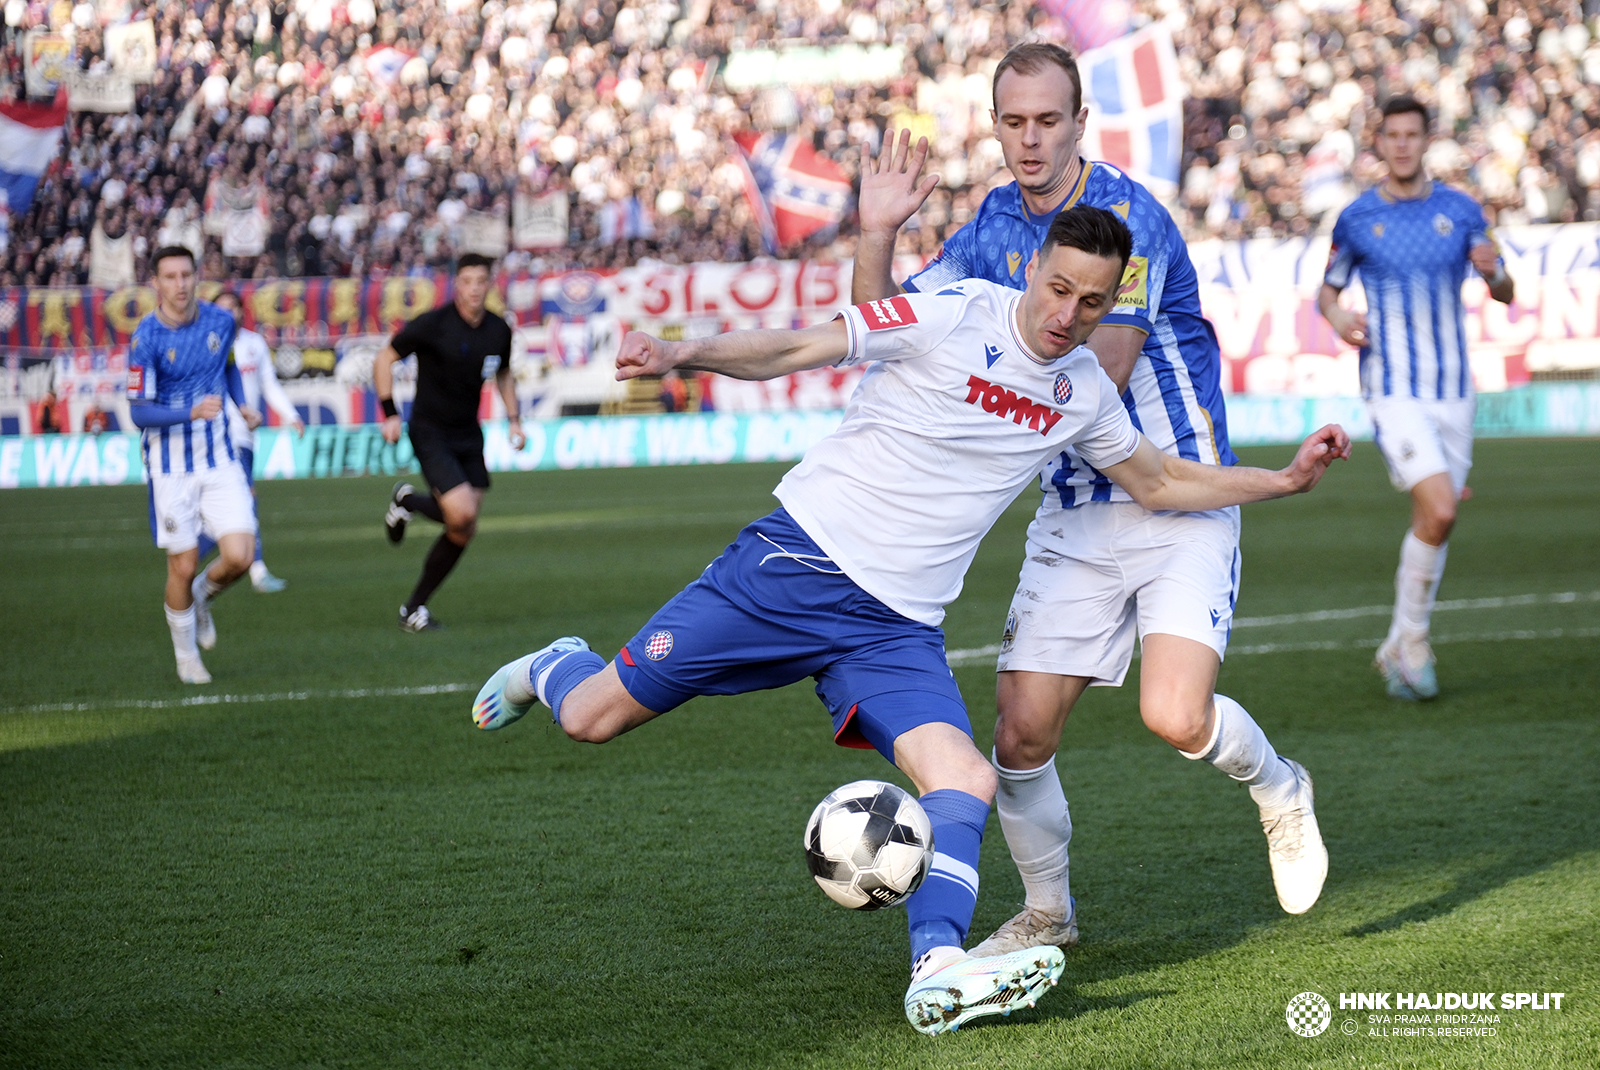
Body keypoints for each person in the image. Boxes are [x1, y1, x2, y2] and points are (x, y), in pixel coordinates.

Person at [472, 207, 1351, 1036]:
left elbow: (1157, 482)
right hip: (790, 569)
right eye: (1058, 288)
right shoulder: (954, 312)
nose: (1068, 314)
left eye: (1091, 302)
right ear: (1033, 271)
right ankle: (552, 664)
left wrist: (1279, 481)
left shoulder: (1082, 387)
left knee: (966, 777)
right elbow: (804, 344)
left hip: (894, 629)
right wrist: (680, 352)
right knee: (591, 717)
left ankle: (937, 968)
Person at [852, 41, 1330, 961]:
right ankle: (1048, 914)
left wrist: (971, 402)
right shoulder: (988, 230)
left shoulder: (1125, 218)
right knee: (1019, 734)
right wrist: (876, 235)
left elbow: (1096, 374)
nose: (1030, 141)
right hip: (1075, 511)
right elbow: (881, 333)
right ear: (995, 126)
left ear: (1080, 123)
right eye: (1013, 122)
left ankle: (1280, 787)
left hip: (1176, 490)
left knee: (1176, 716)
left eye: (1048, 121)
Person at [1319, 96, 1514, 701]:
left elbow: (1505, 288)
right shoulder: (1356, 218)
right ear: (1379, 143)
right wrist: (1341, 320)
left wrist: (1494, 272)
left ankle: (1398, 644)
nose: (1402, 145)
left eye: (1412, 135)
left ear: (1427, 140)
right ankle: (1413, 641)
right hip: (1392, 385)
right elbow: (1326, 294)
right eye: (1393, 136)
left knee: (1435, 520)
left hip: (1454, 389)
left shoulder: (1460, 210)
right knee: (1443, 510)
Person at [125, 246, 261, 684]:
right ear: (156, 284)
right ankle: (186, 658)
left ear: (196, 277)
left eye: (186, 275)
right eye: (170, 277)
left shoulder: (221, 321)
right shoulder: (145, 339)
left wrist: (242, 405)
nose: (180, 284)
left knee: (239, 556)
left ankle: (202, 596)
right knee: (181, 566)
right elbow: (139, 412)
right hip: (170, 469)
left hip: (219, 457)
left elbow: (231, 366)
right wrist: (190, 412)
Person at [373, 253, 524, 631]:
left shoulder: (498, 330)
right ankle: (407, 501)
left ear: (490, 284)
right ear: (457, 284)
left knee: (463, 527)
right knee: (462, 515)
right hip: (430, 429)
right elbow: (384, 358)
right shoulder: (433, 324)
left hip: (468, 433)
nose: (475, 288)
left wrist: (514, 419)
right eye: (468, 281)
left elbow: (504, 374)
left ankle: (414, 608)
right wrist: (389, 412)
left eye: (481, 281)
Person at [194, 290, 306, 593]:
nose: (229, 313)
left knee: (224, 512)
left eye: (234, 308)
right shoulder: (206, 344)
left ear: (243, 311)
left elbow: (268, 384)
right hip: (221, 434)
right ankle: (257, 570)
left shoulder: (254, 344)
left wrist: (290, 414)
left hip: (246, 435)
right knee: (245, 499)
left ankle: (188, 554)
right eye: (222, 308)